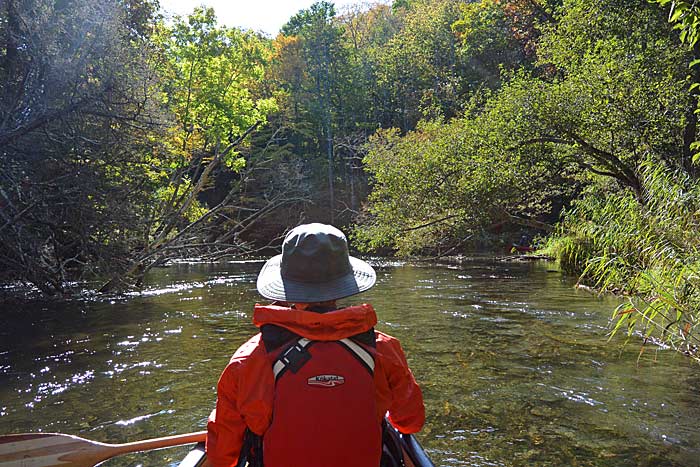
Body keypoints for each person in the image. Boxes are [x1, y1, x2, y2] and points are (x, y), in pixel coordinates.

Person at [206, 223, 425, 467]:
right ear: (343, 284)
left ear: (287, 286)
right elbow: (410, 422)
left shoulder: (249, 359)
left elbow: (222, 456)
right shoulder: (383, 349)